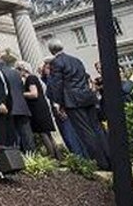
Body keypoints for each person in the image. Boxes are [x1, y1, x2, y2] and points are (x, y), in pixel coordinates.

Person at [47, 39, 110, 170]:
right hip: (87, 97)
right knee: (98, 129)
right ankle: (110, 158)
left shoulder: (56, 62)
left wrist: (58, 103)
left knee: (85, 132)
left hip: (73, 101)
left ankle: (101, 163)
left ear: (51, 51)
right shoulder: (76, 60)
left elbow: (57, 84)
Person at [15, 61, 60, 160]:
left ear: (22, 70)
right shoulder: (33, 78)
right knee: (47, 133)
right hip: (41, 107)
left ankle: (51, 156)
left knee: (43, 133)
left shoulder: (30, 79)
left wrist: (20, 93)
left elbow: (34, 94)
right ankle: (58, 156)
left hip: (37, 109)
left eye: (18, 70)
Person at [0, 59, 34, 152]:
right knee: (27, 134)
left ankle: (20, 156)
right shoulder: (15, 73)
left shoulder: (0, 74)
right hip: (22, 106)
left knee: (15, 136)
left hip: (9, 107)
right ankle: (32, 157)